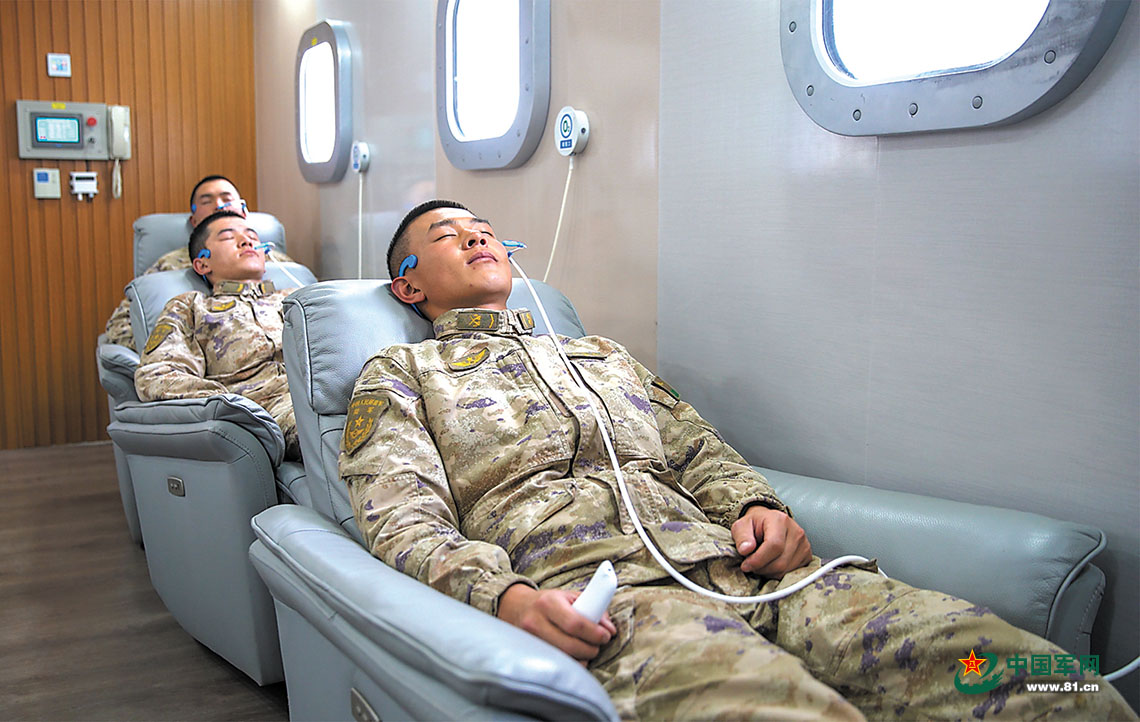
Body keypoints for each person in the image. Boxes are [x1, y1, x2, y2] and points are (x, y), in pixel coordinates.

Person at [339, 199, 1135, 720]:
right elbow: (401, 519)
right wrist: (504, 596)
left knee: (1043, 681)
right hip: (618, 604)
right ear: (408, 288)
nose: (476, 235)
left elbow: (701, 452)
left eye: (482, 227)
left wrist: (761, 510)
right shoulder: (403, 374)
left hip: (756, 574)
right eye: (446, 235)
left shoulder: (601, 355)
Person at [135, 210, 300, 460]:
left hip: (330, 390)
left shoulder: (298, 298)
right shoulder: (192, 307)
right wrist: (233, 404)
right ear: (202, 263)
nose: (246, 241)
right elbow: (156, 375)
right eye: (228, 237)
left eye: (252, 236)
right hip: (275, 408)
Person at [103, 175, 294, 351]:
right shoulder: (170, 268)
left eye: (227, 199)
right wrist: (178, 342)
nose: (219, 205)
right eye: (207, 201)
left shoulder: (280, 265)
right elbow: (122, 326)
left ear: (244, 211)